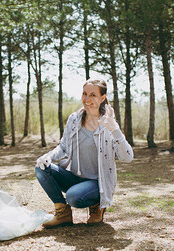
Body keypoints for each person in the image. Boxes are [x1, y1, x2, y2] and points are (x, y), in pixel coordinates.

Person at [35, 78, 134, 228]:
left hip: (97, 183)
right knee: (41, 168)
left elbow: (127, 157)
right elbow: (63, 147)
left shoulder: (108, 124)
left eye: (93, 95)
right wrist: (48, 157)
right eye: (84, 94)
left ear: (102, 98)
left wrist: (115, 129)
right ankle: (63, 213)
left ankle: (97, 204)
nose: (87, 99)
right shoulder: (74, 119)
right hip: (73, 177)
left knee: (73, 197)